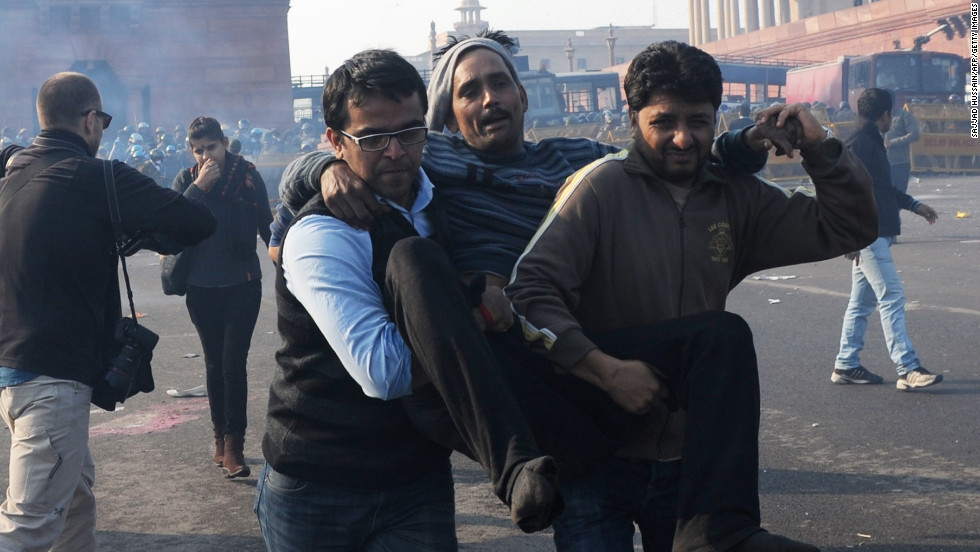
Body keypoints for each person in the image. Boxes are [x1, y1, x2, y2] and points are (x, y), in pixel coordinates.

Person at [277, 33, 834, 552]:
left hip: (548, 365)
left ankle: (724, 527)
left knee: (722, 336)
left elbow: (670, 146)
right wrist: (323, 167)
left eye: (500, 83)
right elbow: (352, 154)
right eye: (470, 90)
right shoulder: (433, 161)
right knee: (412, 258)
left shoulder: (574, 160)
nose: (489, 99)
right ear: (448, 114)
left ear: (522, 96)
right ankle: (518, 466)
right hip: (480, 365)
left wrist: (750, 140)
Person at [506, 39, 877, 552]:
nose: (683, 139)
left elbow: (847, 226)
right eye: (664, 122)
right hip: (596, 453)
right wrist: (605, 371)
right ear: (633, 117)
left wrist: (820, 147)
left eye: (699, 122)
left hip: (690, 467)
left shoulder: (734, 197)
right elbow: (529, 292)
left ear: (717, 118)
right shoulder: (599, 189)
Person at [255, 49, 564, 550]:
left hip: (416, 475)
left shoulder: (435, 193)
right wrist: (479, 316)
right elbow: (386, 373)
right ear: (336, 141)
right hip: (320, 478)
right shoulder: (321, 233)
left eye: (409, 132)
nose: (396, 152)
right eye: (373, 138)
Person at [0, 72, 215, 551]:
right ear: (91, 120)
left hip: (16, 371)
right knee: (26, 528)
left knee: (75, 505)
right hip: (53, 379)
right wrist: (200, 186)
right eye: (105, 120)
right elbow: (195, 221)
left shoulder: (13, 173)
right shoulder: (100, 178)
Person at [171, 116, 273, 478]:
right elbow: (172, 223)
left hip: (243, 284)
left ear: (225, 143)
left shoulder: (248, 177)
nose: (206, 156)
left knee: (233, 364)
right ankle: (219, 438)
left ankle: (234, 446)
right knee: (214, 365)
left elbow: (268, 228)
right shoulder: (187, 179)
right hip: (201, 288)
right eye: (198, 150)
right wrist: (198, 186)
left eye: (211, 148)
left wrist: (290, 270)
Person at [832, 88, 941, 390]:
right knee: (891, 296)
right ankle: (907, 368)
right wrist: (849, 235)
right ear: (884, 115)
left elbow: (881, 188)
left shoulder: (868, 140)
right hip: (868, 234)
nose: (891, 119)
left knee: (861, 302)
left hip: (875, 230)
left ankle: (846, 363)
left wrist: (914, 205)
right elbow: (842, 190)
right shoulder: (860, 143)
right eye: (889, 114)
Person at [884, 102, 920, 194]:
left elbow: (914, 134)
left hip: (899, 162)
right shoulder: (878, 116)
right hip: (882, 162)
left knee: (899, 194)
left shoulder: (904, 115)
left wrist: (893, 143)